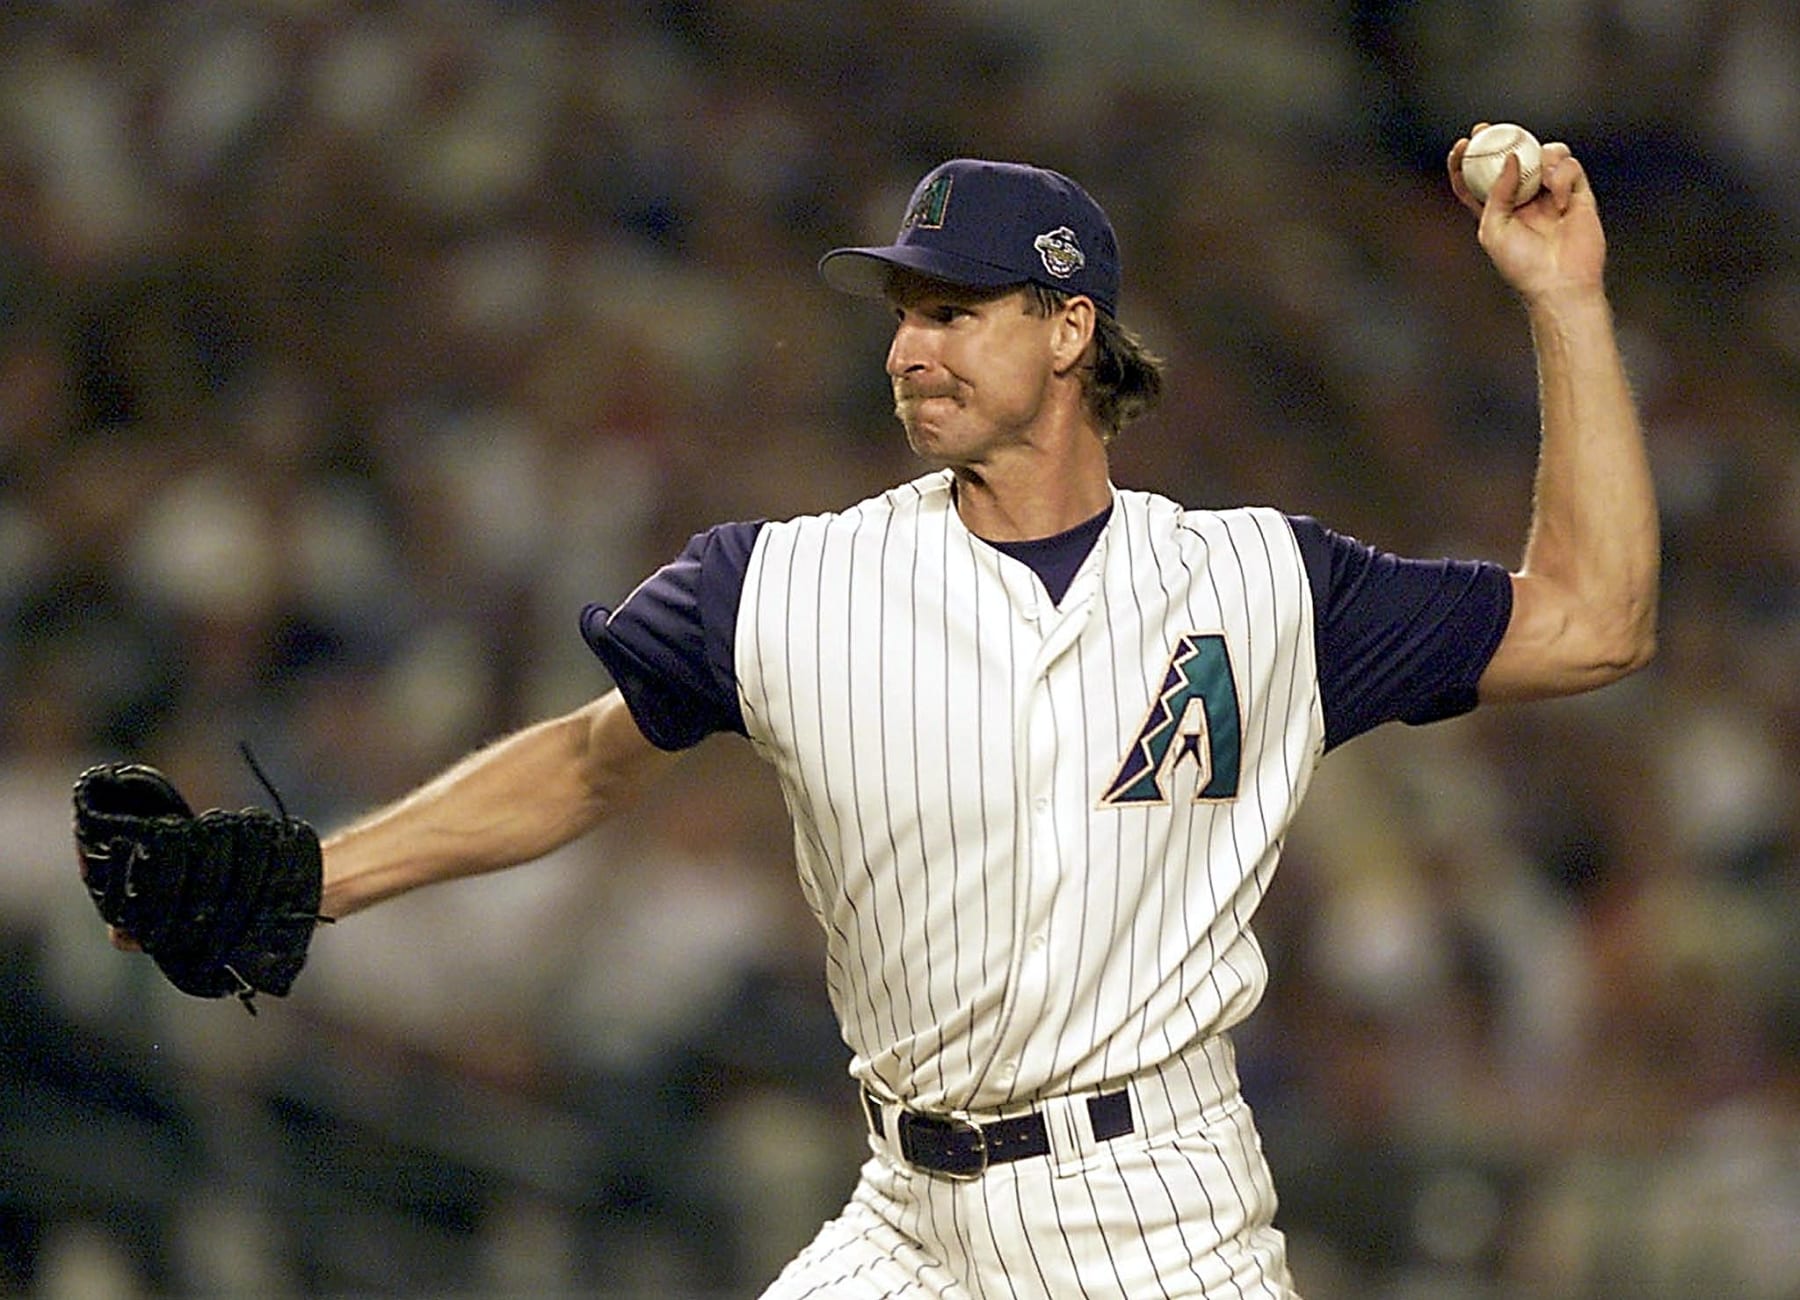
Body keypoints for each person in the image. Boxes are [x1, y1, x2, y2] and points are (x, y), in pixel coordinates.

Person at [306, 135, 1659, 1297]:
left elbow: (1595, 622)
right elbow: (586, 760)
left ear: (1070, 331)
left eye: (954, 313)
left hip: (1156, 1219)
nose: (908, 349)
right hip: (905, 1213)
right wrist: (319, 878)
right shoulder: (782, 582)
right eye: (904, 314)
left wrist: (1566, 297)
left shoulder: (1262, 585)